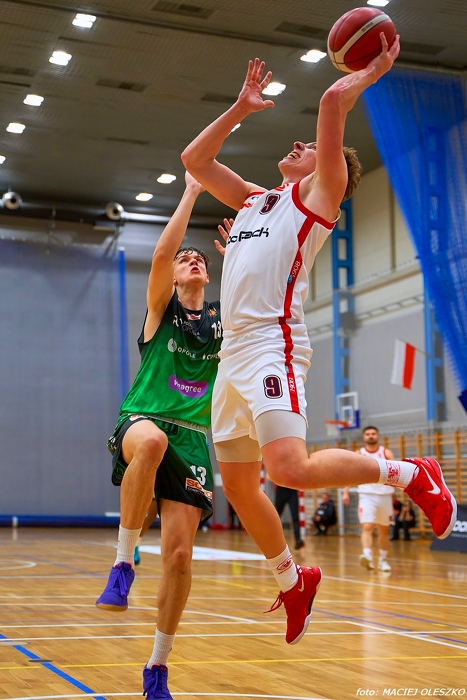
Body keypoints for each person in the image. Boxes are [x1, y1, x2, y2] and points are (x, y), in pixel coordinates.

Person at [181, 38, 456, 648]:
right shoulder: (256, 201)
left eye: (309, 148)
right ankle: (293, 578)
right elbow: (195, 160)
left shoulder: (318, 196)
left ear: (326, 170)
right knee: (239, 484)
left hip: (272, 345)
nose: (298, 146)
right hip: (232, 354)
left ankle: (411, 472)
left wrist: (373, 68)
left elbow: (332, 101)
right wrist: (239, 107)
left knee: (290, 468)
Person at [95, 172, 223, 700]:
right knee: (151, 443)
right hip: (144, 419)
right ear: (171, 277)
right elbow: (161, 255)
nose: (190, 260)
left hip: (193, 438)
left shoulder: (222, 322)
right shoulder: (160, 310)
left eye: (199, 259)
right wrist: (192, 191)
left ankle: (157, 667)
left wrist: (243, 251)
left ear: (208, 276)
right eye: (183, 259)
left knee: (180, 559)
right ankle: (123, 562)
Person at [342, 426, 395, 572]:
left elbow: (397, 472)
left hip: (385, 496)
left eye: (373, 433)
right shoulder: (359, 454)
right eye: (368, 434)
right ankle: (368, 556)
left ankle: (383, 560)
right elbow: (349, 474)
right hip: (367, 495)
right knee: (367, 526)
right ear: (364, 437)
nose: (371, 436)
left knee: (384, 530)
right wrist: (345, 492)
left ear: (378, 436)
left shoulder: (386, 453)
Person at [275, 484, 305, 549]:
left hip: (292, 490)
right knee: (276, 516)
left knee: (295, 517)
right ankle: (272, 537)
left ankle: (298, 540)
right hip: (281, 490)